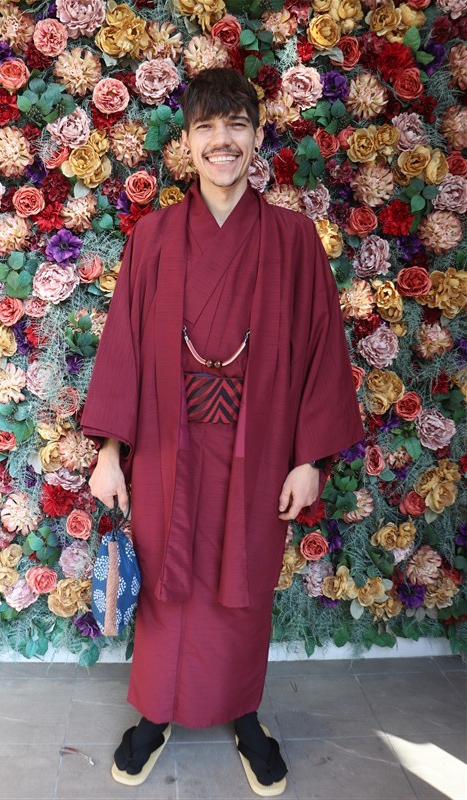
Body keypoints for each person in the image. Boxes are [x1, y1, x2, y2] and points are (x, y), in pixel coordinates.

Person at [81, 68, 365, 796]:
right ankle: (154, 715)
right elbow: (123, 346)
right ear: (187, 142)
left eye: (236, 124)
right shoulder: (153, 238)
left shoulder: (293, 240)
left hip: (260, 445)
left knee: (243, 581)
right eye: (206, 127)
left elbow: (320, 348)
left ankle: (243, 714)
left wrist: (309, 459)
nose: (221, 141)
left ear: (256, 135)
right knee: (166, 583)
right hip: (166, 446)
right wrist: (110, 452)